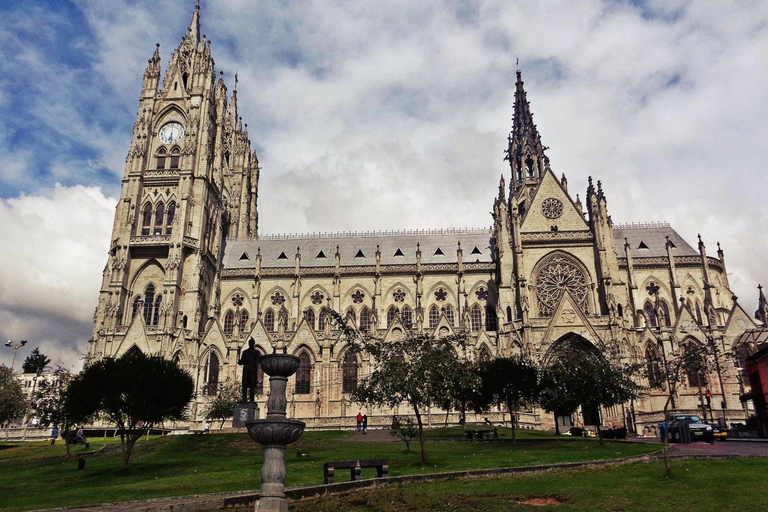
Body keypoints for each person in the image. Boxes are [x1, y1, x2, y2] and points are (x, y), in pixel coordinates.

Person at [238, 338, 262, 403]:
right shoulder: (245, 352)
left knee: (252, 385)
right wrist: (239, 361)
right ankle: (244, 399)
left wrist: (256, 366)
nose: (250, 344)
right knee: (245, 385)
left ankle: (251, 399)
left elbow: (258, 361)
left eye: (251, 343)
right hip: (246, 370)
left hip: (252, 370)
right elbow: (242, 362)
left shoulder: (256, 352)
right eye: (250, 343)